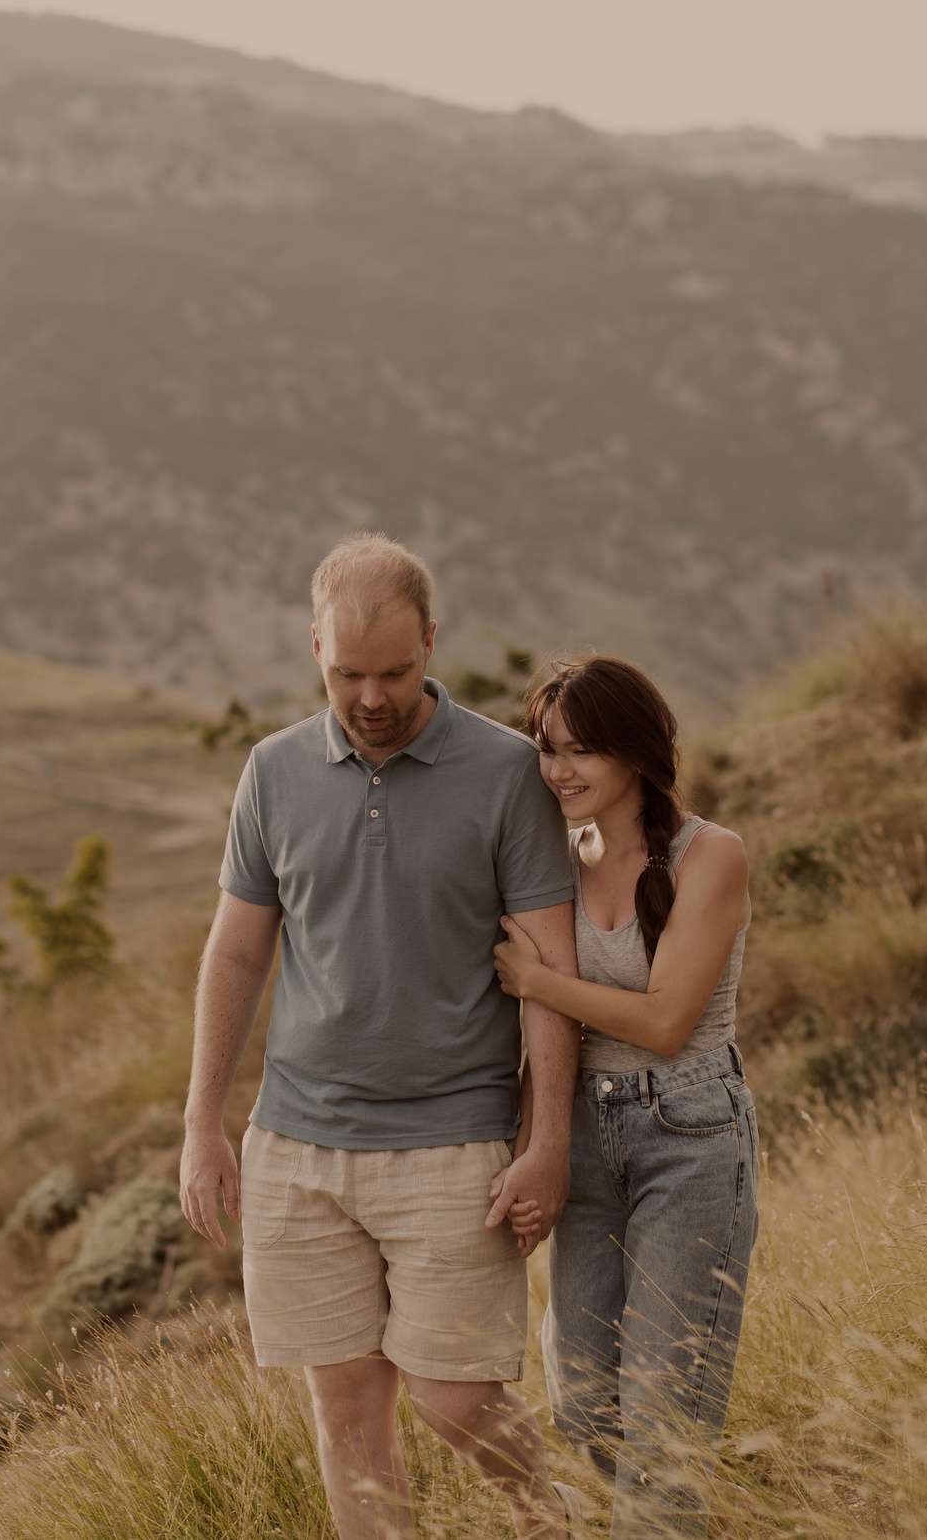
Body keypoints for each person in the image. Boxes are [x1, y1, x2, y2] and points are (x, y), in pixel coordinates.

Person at [179, 533, 586, 1540]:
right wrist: (201, 1124)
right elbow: (234, 956)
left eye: (395, 672)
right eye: (347, 671)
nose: (370, 696)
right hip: (298, 1148)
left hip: (453, 1143)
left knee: (455, 1400)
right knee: (346, 1406)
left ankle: (561, 1524)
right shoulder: (272, 774)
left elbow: (550, 977)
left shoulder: (504, 775)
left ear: (432, 644)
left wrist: (546, 1143)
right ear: (313, 644)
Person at [490, 655, 756, 1539]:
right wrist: (538, 1141)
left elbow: (667, 1020)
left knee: (666, 1405)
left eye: (583, 750)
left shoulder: (708, 855)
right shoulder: (550, 858)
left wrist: (538, 978)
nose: (559, 770)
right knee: (583, 1400)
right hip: (583, 1136)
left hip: (691, 1130)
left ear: (637, 752)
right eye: (547, 748)